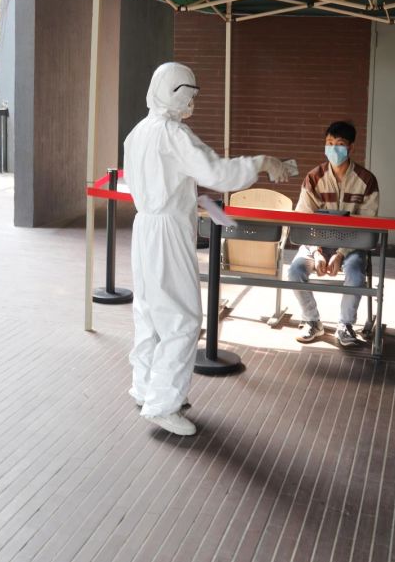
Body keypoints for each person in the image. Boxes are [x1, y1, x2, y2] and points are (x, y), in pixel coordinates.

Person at [123, 62, 289, 436]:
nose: (192, 103)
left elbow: (153, 180)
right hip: (167, 232)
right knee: (181, 318)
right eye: (189, 94)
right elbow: (217, 172)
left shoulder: (138, 133)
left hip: (145, 226)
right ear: (174, 93)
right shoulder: (173, 135)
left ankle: (145, 387)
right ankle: (163, 404)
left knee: (149, 311)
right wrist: (262, 162)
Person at [288, 121, 380, 347]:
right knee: (295, 271)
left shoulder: (367, 181)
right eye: (329, 143)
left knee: (356, 274)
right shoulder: (313, 178)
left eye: (339, 144)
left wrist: (340, 253)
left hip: (352, 244)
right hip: (317, 242)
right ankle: (312, 321)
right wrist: (317, 251)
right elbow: (303, 219)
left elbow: (366, 225)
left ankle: (345, 325)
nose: (333, 148)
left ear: (350, 147)